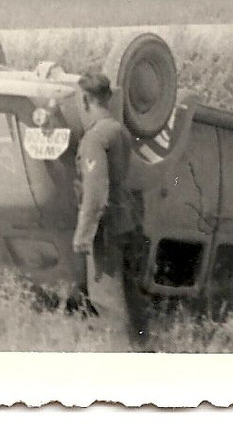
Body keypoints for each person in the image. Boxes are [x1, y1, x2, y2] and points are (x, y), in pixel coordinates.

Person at [68, 71, 150, 348]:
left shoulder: (94, 138)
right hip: (127, 220)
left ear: (86, 100)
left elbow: (95, 192)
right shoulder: (119, 131)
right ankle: (143, 350)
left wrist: (83, 234)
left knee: (107, 300)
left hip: (106, 228)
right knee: (130, 295)